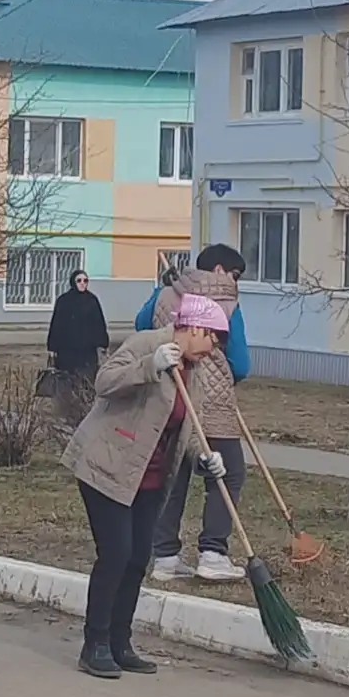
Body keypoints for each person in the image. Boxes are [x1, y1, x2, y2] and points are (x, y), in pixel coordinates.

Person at [63, 293, 232, 679]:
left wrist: (205, 457)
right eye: (212, 338)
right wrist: (148, 366)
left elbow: (189, 427)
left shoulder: (194, 371)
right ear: (193, 328)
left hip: (149, 477)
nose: (213, 348)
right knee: (116, 554)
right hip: (107, 464)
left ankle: (120, 643)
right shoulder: (147, 344)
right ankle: (95, 644)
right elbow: (104, 381)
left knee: (139, 558)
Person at [144, 245, 252, 582]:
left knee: (174, 474)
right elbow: (241, 363)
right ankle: (213, 552)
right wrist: (226, 376)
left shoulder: (165, 293)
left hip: (171, 394)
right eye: (235, 274)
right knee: (228, 473)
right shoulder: (226, 300)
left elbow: (142, 326)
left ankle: (165, 556)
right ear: (219, 270)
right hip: (212, 403)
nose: (235, 282)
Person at [45, 267, 109, 391]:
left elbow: (99, 323)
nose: (82, 283)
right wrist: (52, 347)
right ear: (73, 282)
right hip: (67, 350)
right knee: (67, 382)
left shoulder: (92, 300)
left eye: (85, 280)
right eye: (79, 280)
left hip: (87, 351)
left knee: (87, 382)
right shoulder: (64, 301)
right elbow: (56, 325)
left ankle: (85, 400)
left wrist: (103, 343)